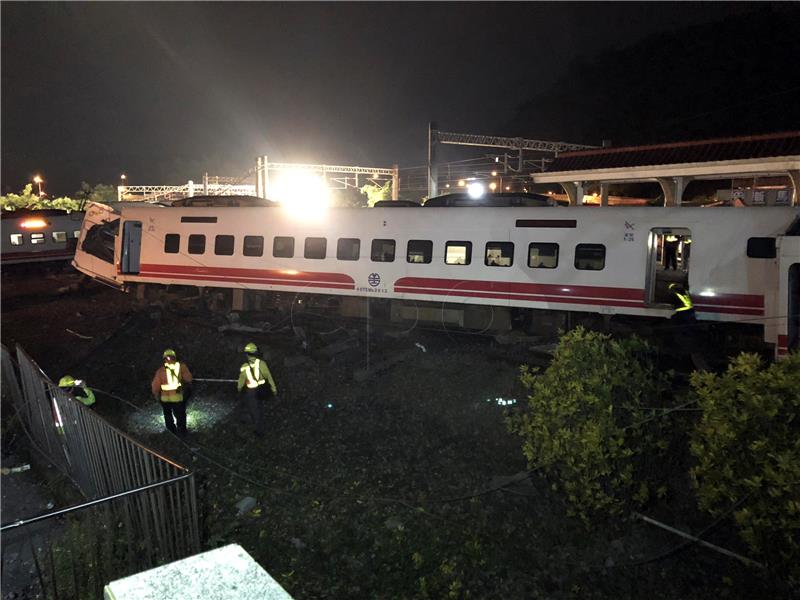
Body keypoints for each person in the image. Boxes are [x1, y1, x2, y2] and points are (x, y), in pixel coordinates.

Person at [236, 342, 277, 437]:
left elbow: (241, 381)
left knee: (255, 409)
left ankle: (259, 430)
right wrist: (274, 389)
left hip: (251, 391)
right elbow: (269, 377)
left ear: (247, 354)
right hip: (262, 389)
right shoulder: (262, 364)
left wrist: (239, 389)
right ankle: (251, 421)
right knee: (257, 407)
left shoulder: (244, 366)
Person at [151, 348, 193, 437]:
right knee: (180, 415)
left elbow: (155, 385)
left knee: (168, 416)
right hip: (177, 397)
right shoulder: (181, 366)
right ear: (175, 357)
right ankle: (182, 432)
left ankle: (171, 433)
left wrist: (156, 394)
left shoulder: (160, 371)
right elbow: (189, 378)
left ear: (164, 358)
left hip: (165, 399)